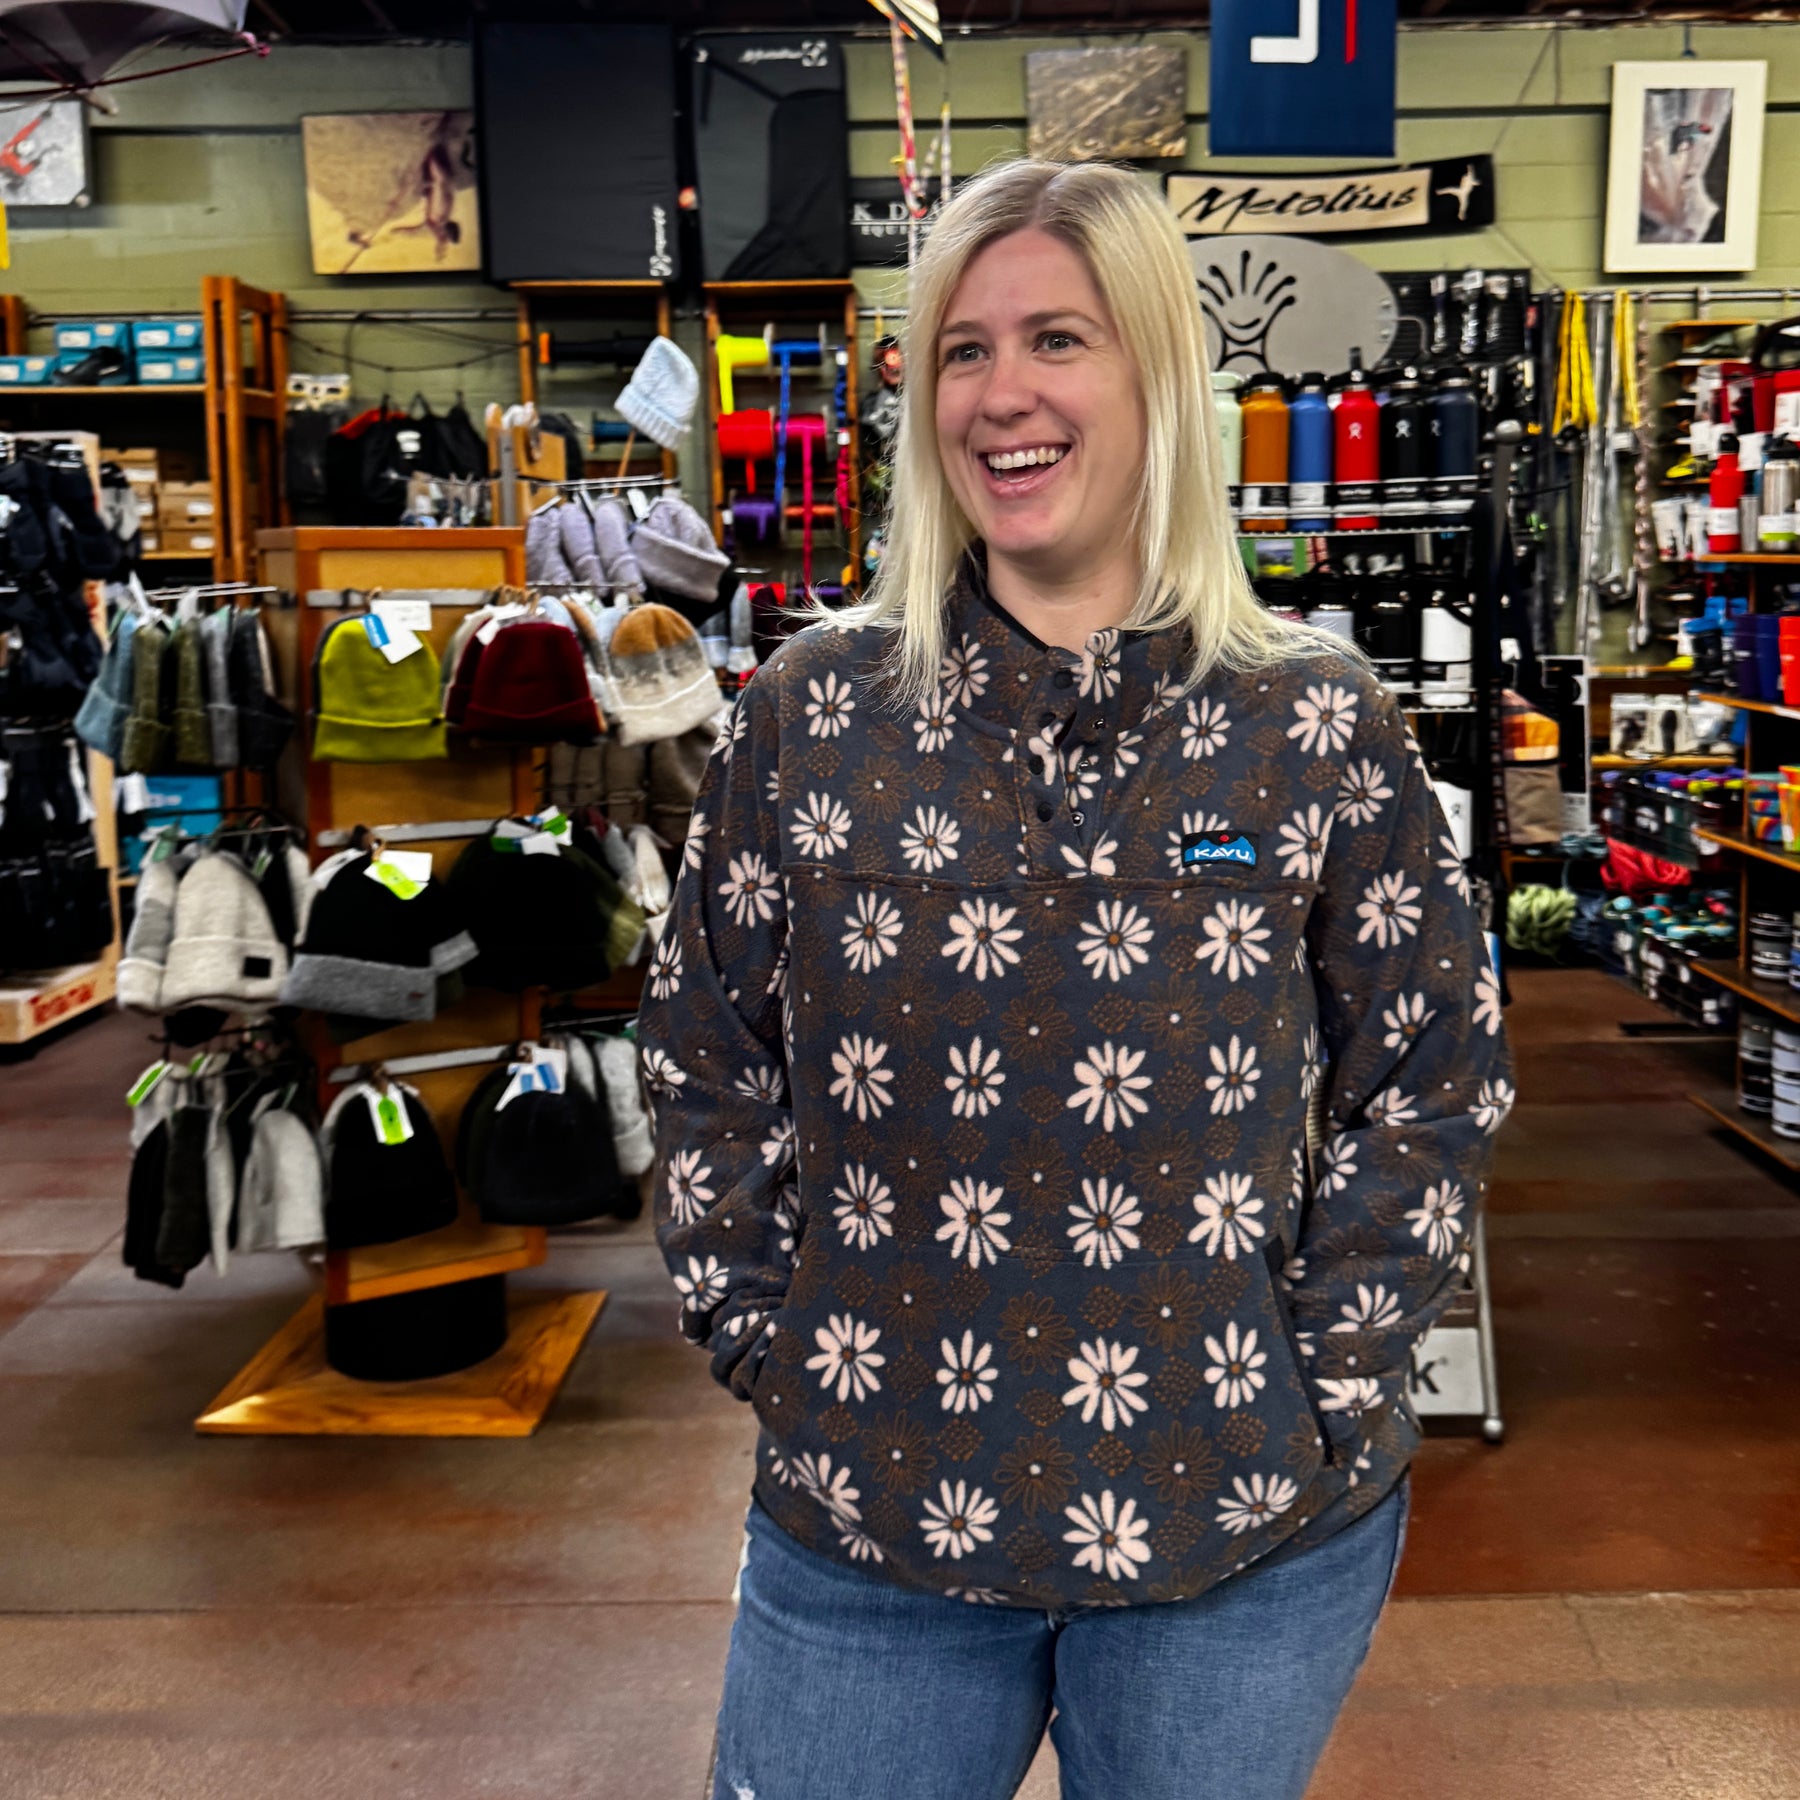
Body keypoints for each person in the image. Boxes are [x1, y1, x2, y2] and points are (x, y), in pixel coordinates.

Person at [637, 157, 1513, 1800]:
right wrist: (768, 1336)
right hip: (873, 1518)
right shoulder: (811, 715)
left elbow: (1432, 1072)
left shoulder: (1315, 722)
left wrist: (1325, 1375)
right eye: (962, 351)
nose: (1002, 395)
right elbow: (703, 1046)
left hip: (1243, 1528)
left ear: (1158, 374)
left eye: (1057, 338)